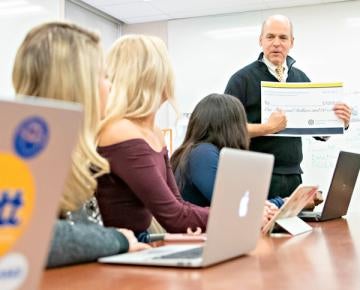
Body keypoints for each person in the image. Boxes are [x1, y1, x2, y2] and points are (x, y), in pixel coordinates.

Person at [12, 22, 149, 268]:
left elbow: (82, 234)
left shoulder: (71, 158)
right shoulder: (18, 157)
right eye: (103, 76)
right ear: (79, 86)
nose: (110, 86)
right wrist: (115, 239)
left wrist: (121, 239)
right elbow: (32, 237)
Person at [224, 14, 351, 199]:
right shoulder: (241, 80)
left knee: (297, 228)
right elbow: (225, 130)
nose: (277, 43)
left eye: (283, 37)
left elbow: (318, 132)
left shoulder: (300, 79)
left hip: (293, 177)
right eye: (270, 36)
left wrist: (340, 121)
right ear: (261, 40)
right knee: (259, 228)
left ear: (292, 42)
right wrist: (267, 128)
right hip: (254, 175)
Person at [95, 34, 209, 238]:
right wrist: (238, 214)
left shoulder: (153, 133)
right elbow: (174, 217)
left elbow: (178, 206)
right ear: (155, 76)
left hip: (139, 240)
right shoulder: (120, 131)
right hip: (119, 247)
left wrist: (239, 213)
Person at [171, 93, 284, 210]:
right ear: (233, 127)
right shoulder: (203, 153)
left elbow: (239, 203)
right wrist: (280, 203)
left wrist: (281, 203)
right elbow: (232, 204)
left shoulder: (199, 151)